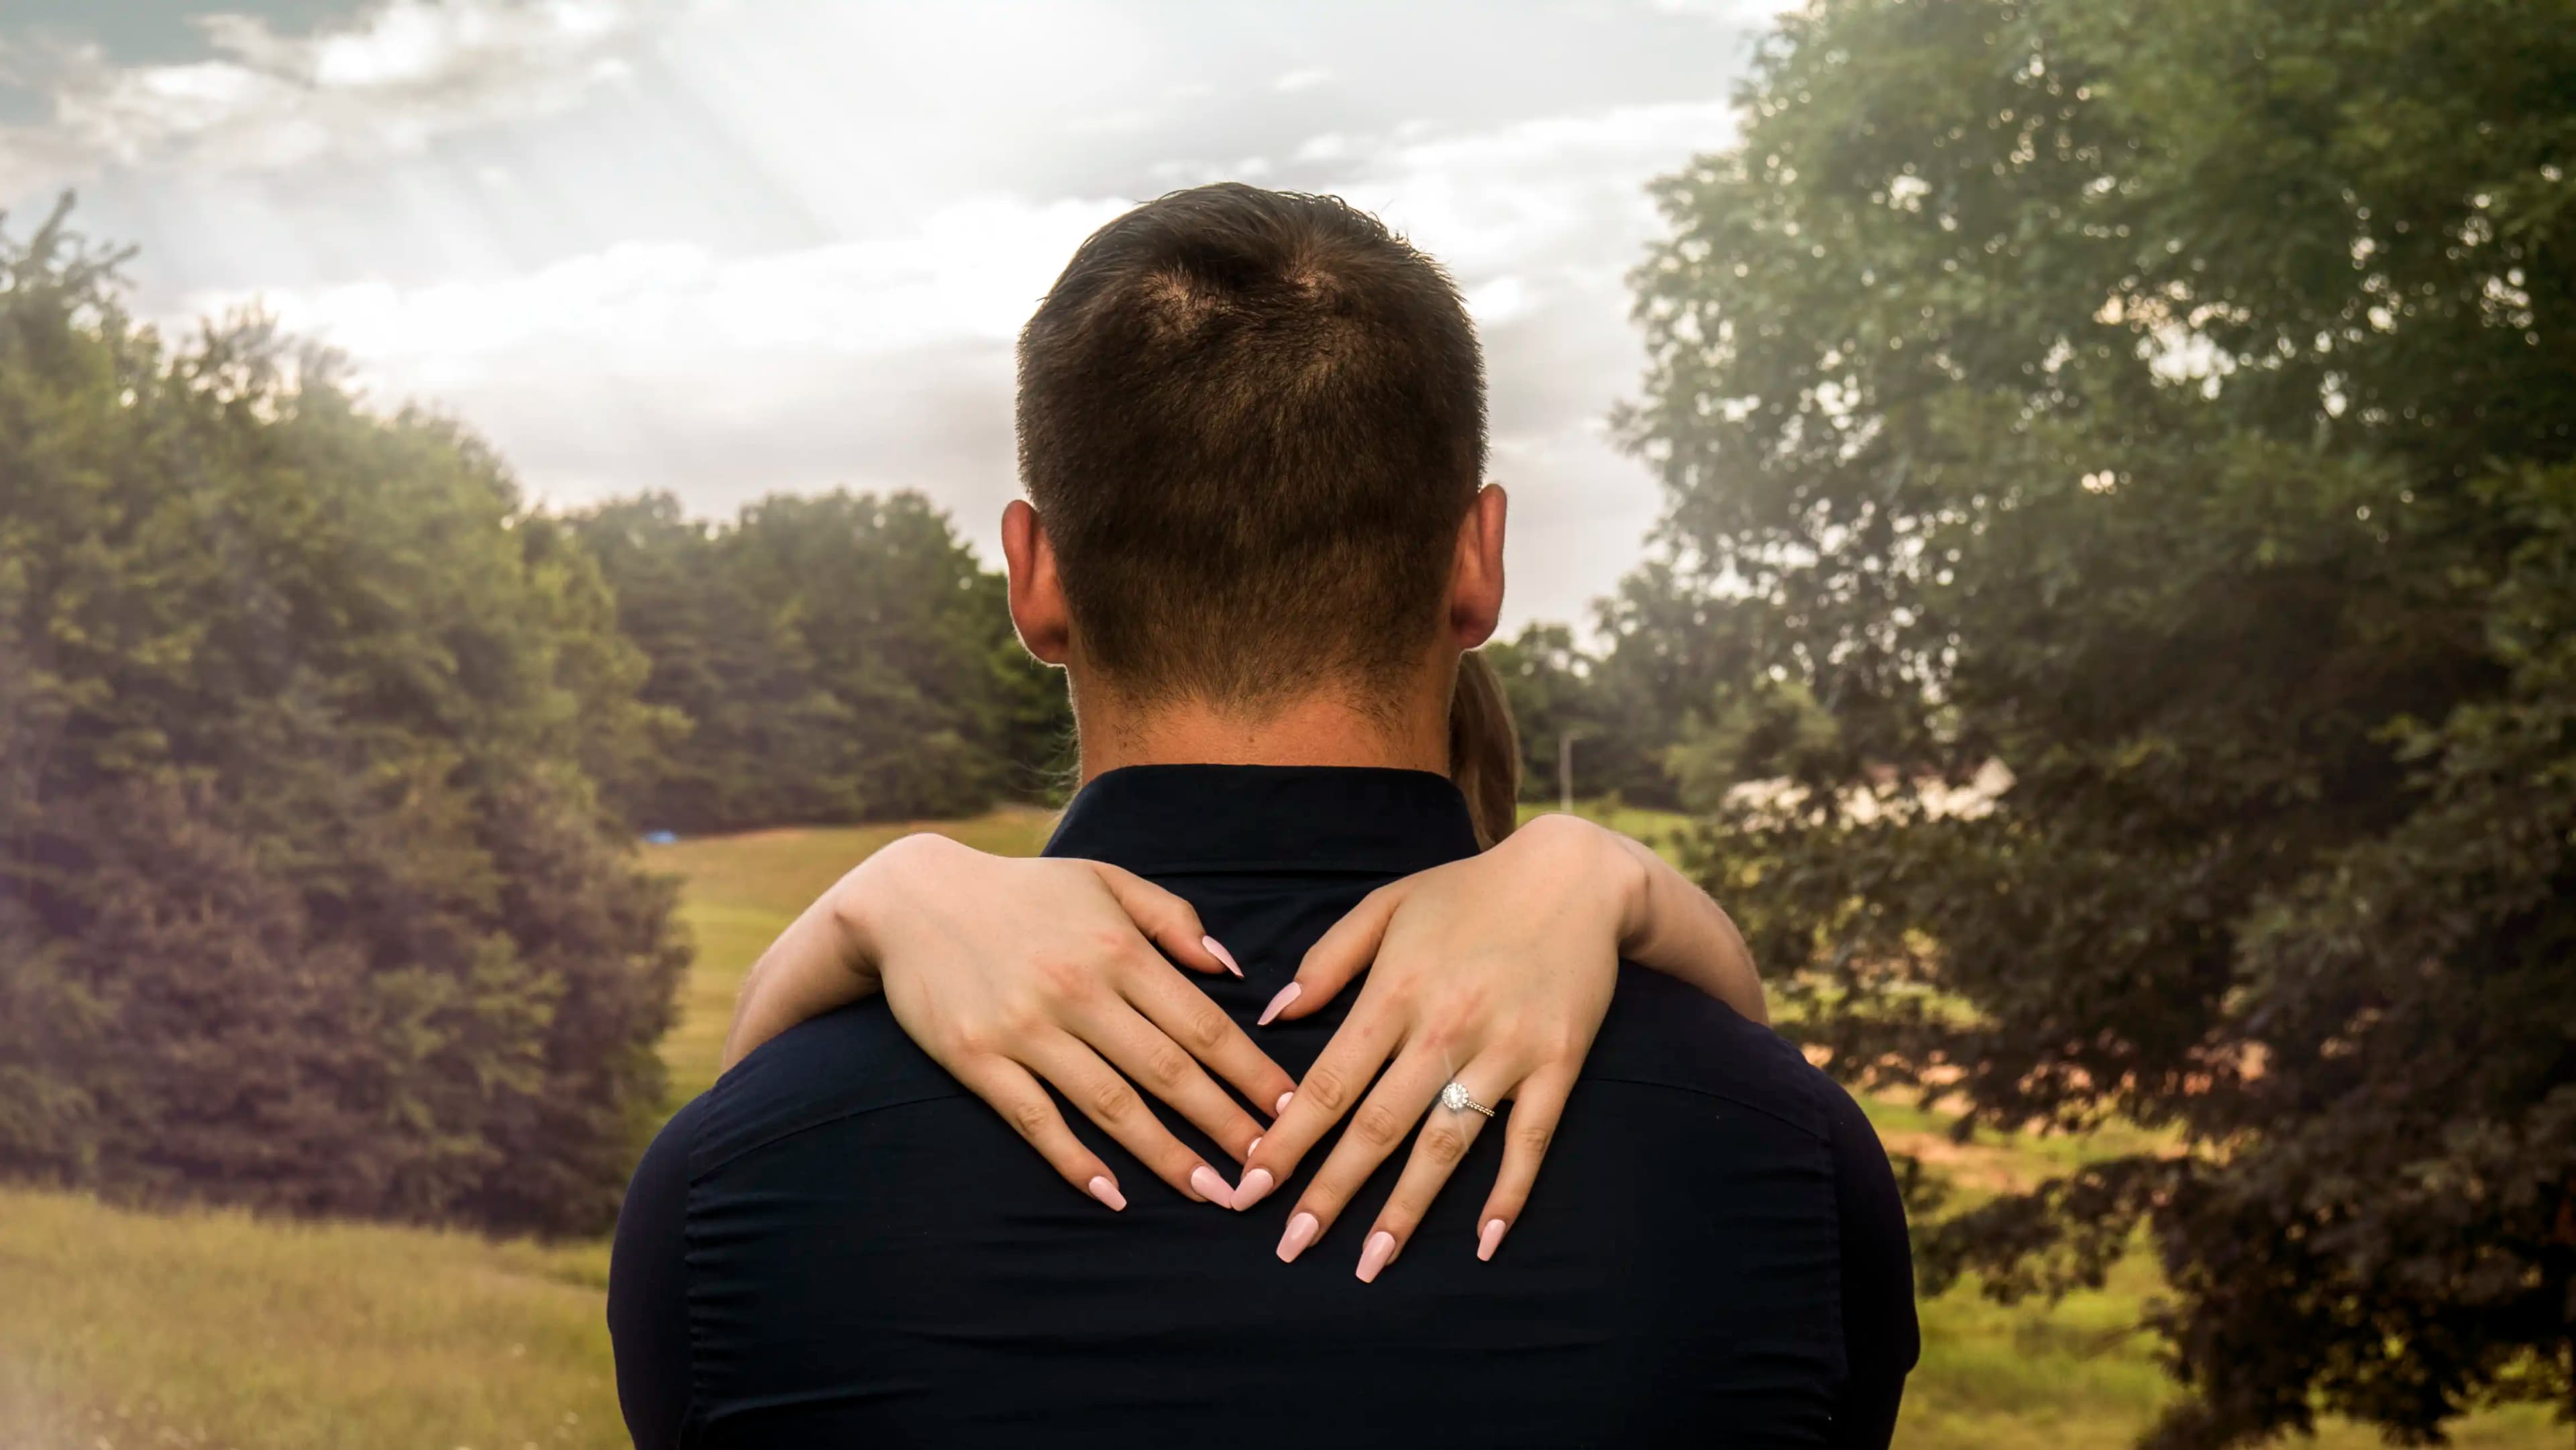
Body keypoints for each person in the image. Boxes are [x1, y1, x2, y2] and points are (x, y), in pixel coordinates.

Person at [608, 183, 1917, 1448]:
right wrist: (1628, 882)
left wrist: (855, 913)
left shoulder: (731, 1186)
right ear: (1479, 564)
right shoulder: (1792, 1163)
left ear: (1035, 578)